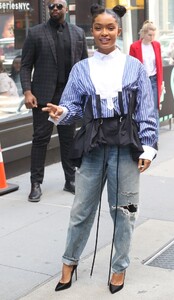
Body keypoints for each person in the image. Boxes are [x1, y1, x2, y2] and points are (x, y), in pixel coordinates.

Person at [43, 4, 158, 294]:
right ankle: (69, 262)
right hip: (92, 144)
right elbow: (73, 108)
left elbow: (147, 111)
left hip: (126, 145)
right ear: (91, 31)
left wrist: (148, 148)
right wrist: (61, 112)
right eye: (98, 28)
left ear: (118, 30)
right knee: (81, 209)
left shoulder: (135, 67)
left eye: (110, 27)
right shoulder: (81, 69)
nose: (104, 33)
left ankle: (119, 267)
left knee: (124, 210)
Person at [20, 0, 88, 202]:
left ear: (66, 9)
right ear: (48, 10)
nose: (55, 9)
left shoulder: (77, 33)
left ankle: (70, 180)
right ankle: (35, 183)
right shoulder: (35, 33)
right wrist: (27, 91)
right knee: (40, 140)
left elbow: (84, 65)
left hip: (68, 97)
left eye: (59, 6)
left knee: (68, 140)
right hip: (42, 97)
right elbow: (25, 66)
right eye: (52, 7)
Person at [129, 21, 163, 137]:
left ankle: (154, 136)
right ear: (143, 34)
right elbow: (132, 66)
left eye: (154, 35)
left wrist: (161, 82)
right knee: (141, 107)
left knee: (154, 109)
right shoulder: (135, 46)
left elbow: (159, 65)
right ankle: (142, 134)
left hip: (153, 80)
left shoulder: (157, 45)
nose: (152, 37)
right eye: (149, 35)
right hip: (141, 80)